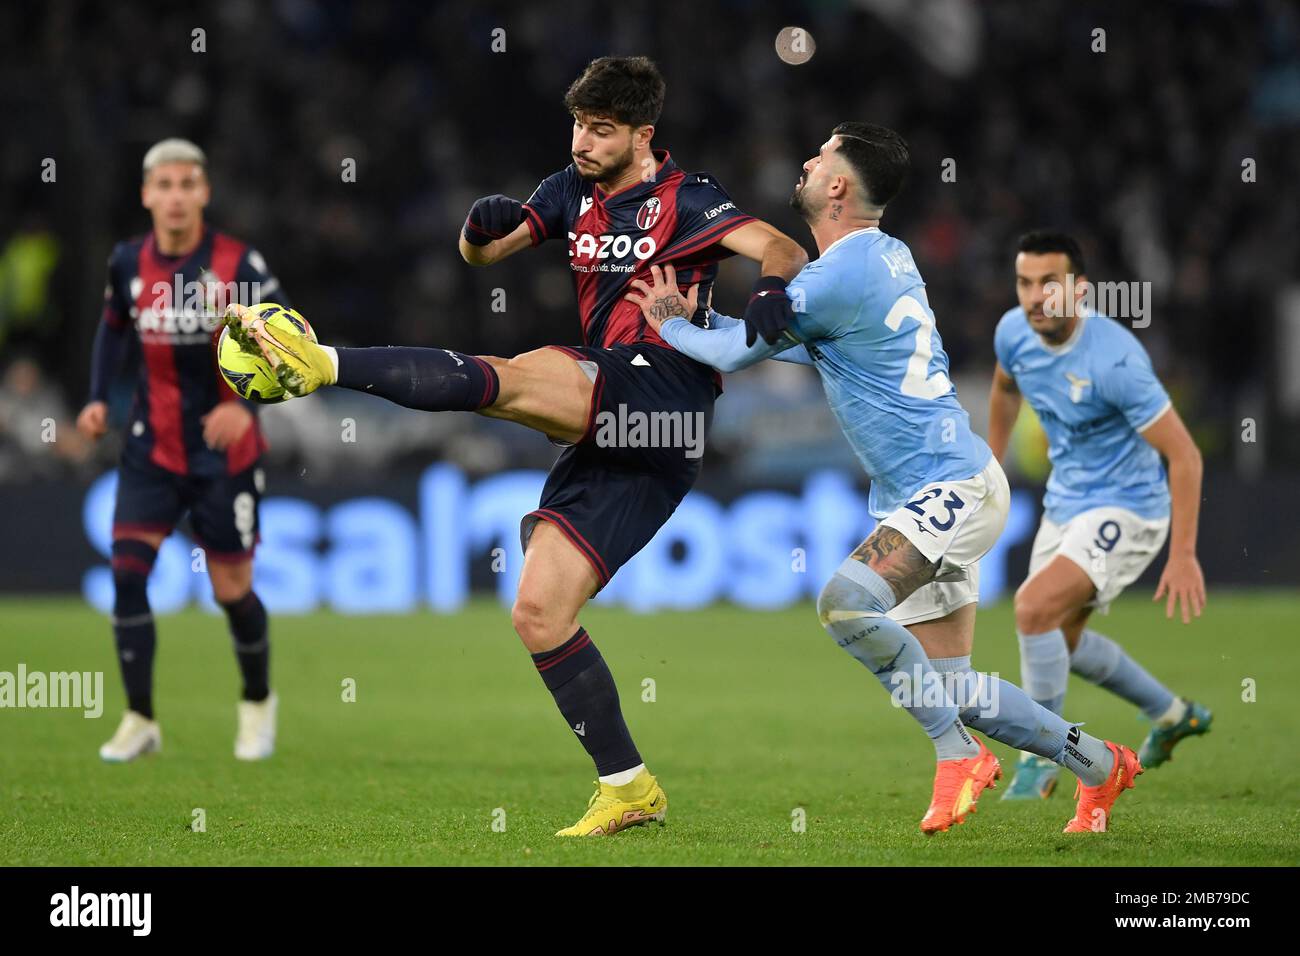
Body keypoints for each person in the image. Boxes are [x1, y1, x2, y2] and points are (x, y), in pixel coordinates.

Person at [224, 57, 808, 836]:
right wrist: (476, 230)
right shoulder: (570, 190)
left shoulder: (688, 198)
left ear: (643, 135)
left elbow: (782, 249)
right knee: (539, 613)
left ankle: (324, 362)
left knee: (511, 379)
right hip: (617, 423)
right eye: (577, 124)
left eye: (601, 130)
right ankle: (628, 788)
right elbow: (486, 255)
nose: (582, 141)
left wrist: (768, 293)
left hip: (666, 391)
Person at [625, 125, 1143, 834]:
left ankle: (957, 755)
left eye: (819, 157)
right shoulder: (882, 258)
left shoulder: (838, 272)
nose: (806, 163)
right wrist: (708, 316)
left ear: (837, 185)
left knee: (844, 604)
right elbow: (814, 350)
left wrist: (669, 324)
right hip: (949, 484)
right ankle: (1101, 764)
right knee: (953, 686)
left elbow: (742, 354)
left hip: (948, 489)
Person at [76, 138, 287, 763]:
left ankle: (256, 703)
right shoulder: (126, 262)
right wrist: (95, 399)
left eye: (186, 184)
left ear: (203, 192)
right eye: (162, 185)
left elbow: (283, 344)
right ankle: (140, 719)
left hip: (225, 452)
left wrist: (240, 404)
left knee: (231, 591)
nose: (174, 196)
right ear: (146, 194)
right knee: (126, 574)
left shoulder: (236, 263)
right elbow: (113, 328)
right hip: (151, 447)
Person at [987, 230, 1210, 800]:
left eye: (1048, 284)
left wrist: (1183, 555)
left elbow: (1183, 454)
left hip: (1129, 507)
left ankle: (1042, 762)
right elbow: (1005, 388)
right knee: (1059, 639)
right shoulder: (1013, 333)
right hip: (1066, 500)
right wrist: (993, 465)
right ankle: (1171, 712)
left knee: (1033, 608)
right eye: (1024, 283)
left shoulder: (1116, 359)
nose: (1035, 297)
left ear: (1079, 290)